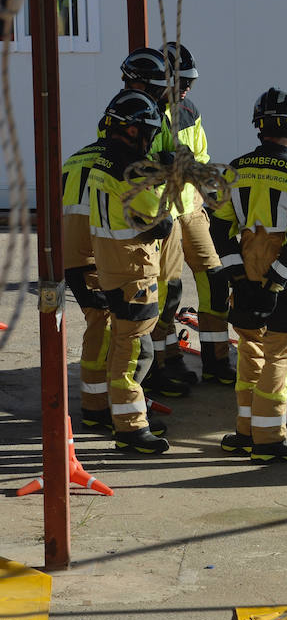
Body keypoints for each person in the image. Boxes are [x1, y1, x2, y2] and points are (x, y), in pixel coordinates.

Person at [209, 88, 287, 463]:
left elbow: (220, 229)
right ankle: (269, 440)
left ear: (258, 126)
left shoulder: (233, 170)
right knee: (279, 355)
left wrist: (238, 277)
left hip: (245, 267)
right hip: (281, 272)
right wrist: (276, 284)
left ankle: (246, 432)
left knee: (250, 349)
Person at [86, 90, 174, 454]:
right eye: (149, 132)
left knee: (124, 346)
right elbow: (163, 223)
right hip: (134, 273)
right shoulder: (128, 172)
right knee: (134, 351)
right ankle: (131, 429)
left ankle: (126, 418)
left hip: (111, 269)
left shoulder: (102, 161)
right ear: (135, 131)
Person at [144, 41, 234, 394]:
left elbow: (200, 156)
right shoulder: (141, 111)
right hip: (160, 211)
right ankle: (162, 363)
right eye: (181, 81)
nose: (187, 88)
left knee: (214, 278)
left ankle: (216, 360)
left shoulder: (189, 111)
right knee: (168, 291)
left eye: (190, 81)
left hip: (190, 206)